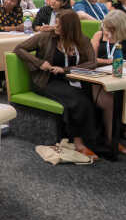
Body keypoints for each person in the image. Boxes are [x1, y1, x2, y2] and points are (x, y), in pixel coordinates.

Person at [14, 10, 99, 158]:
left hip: (73, 79)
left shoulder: (82, 40)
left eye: (60, 25)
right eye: (56, 23)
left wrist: (65, 70)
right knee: (79, 100)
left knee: (97, 97)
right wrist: (39, 63)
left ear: (70, 27)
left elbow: (92, 62)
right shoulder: (46, 37)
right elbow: (19, 49)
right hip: (47, 80)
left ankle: (99, 140)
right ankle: (79, 143)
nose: (56, 27)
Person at [91, 10, 126, 146]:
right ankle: (111, 137)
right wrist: (109, 62)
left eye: (113, 27)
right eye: (107, 26)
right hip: (105, 74)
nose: (109, 30)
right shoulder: (99, 35)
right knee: (108, 96)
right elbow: (91, 59)